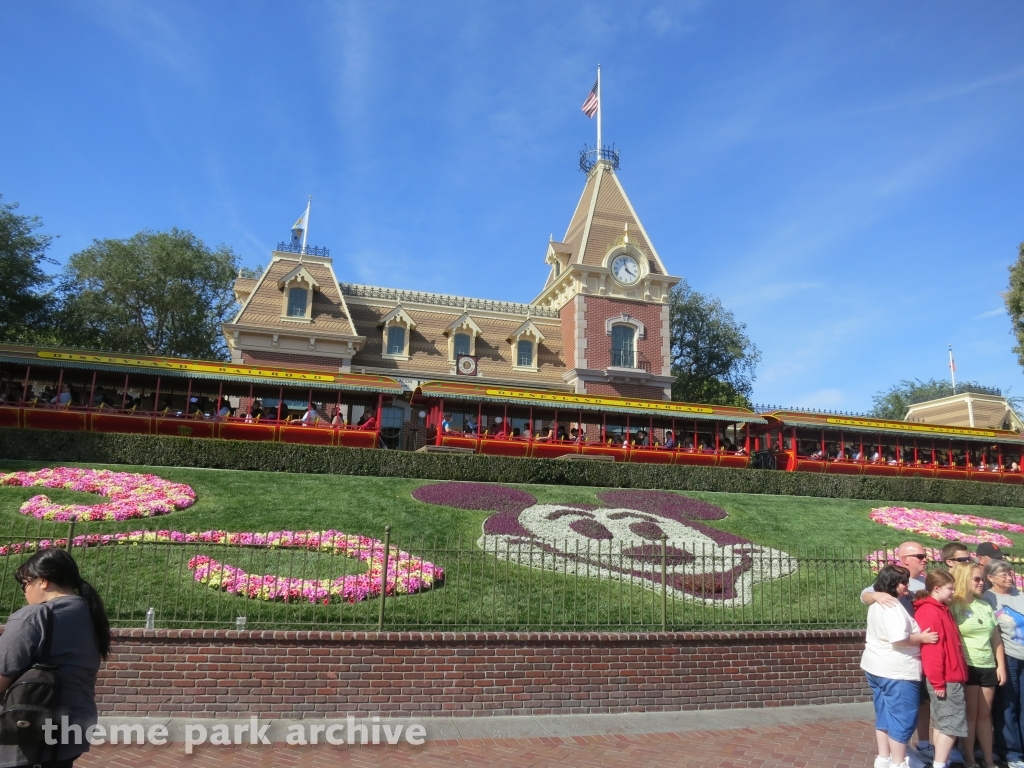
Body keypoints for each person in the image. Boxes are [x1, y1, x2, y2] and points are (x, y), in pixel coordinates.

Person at [0, 548, 111, 768]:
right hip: (73, 730)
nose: (24, 592)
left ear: (43, 581)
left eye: (24, 584)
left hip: (26, 733)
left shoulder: (35, 616)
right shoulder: (90, 614)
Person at [861, 564, 938, 768]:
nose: (907, 586)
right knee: (903, 718)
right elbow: (898, 639)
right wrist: (922, 637)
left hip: (875, 666)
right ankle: (898, 762)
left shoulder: (878, 604)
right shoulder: (893, 606)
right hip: (897, 671)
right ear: (894, 584)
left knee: (884, 713)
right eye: (904, 582)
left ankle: (884, 758)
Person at [952, 562, 1007, 768]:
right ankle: (969, 758)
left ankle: (989, 759)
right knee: (971, 715)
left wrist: (1000, 665)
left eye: (982, 579)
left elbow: (995, 638)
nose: (981, 582)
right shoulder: (955, 605)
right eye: (977, 579)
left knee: (985, 715)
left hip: (987, 664)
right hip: (967, 664)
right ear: (965, 579)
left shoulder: (984, 605)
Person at [915, 569, 970, 768]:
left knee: (943, 722)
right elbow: (932, 652)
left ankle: (941, 761)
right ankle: (940, 763)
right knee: (951, 724)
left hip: (949, 675)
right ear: (936, 588)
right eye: (950, 588)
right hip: (947, 676)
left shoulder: (939, 608)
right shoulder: (931, 611)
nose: (953, 592)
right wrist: (938, 680)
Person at [982, 560, 1024, 768]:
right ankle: (1011, 752)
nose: (1009, 577)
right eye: (1003, 574)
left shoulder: (1020, 595)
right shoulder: (989, 598)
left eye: (1010, 573)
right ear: (990, 578)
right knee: (1008, 705)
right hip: (1008, 656)